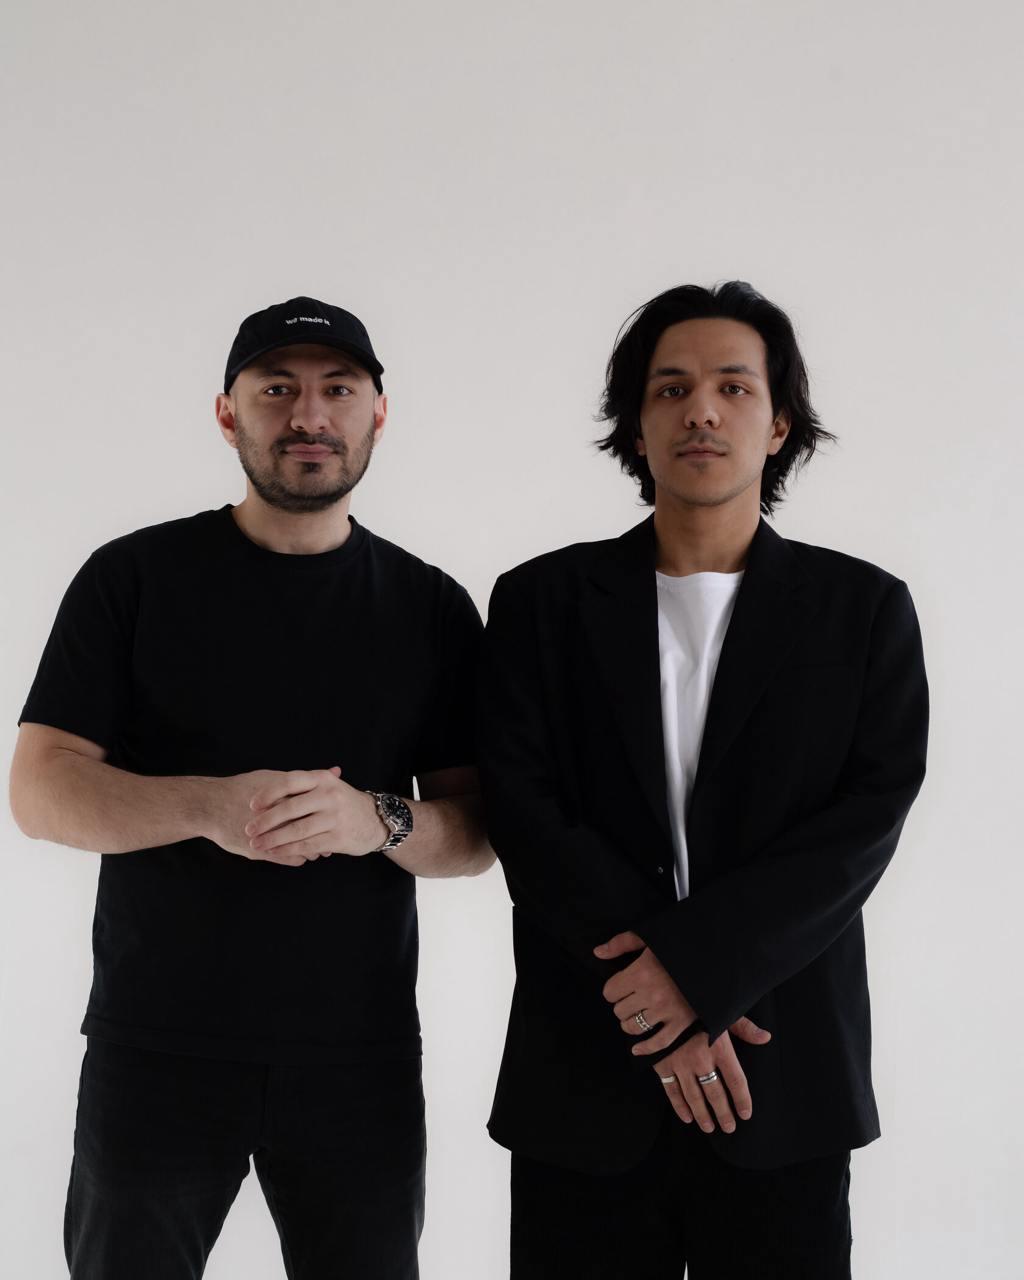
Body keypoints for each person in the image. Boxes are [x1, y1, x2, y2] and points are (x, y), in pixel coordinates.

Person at [10, 295, 493, 1280]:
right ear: (228, 413)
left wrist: (376, 818)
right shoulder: (132, 578)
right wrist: (209, 807)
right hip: (156, 1049)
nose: (308, 415)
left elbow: (477, 834)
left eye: (337, 390)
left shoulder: (432, 607)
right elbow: (40, 789)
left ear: (378, 414)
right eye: (277, 389)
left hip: (356, 1057)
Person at [478, 281, 928, 1278]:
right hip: (583, 1076)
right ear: (636, 426)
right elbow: (523, 809)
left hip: (783, 1080)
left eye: (734, 386)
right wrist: (660, 1000)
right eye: (671, 389)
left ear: (780, 424)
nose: (702, 412)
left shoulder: (861, 610)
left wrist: (697, 973)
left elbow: (862, 822)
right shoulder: (540, 601)